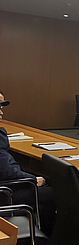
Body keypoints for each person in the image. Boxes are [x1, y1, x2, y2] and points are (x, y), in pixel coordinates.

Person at [0, 91, 56, 236]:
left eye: (2, 108)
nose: (1, 113)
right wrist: (33, 179)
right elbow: (7, 172)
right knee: (56, 193)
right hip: (6, 193)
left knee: (43, 205)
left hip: (7, 187)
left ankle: (42, 237)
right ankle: (55, 241)